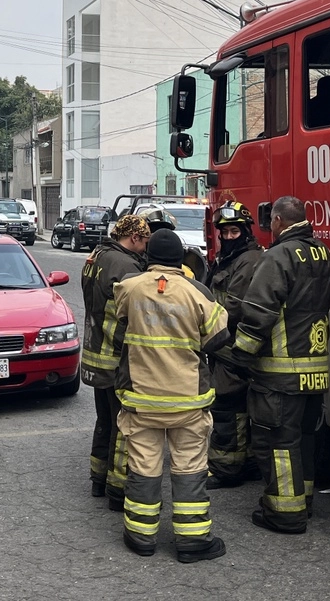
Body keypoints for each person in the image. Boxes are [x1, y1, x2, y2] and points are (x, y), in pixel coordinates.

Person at [113, 229, 230, 563]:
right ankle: (193, 542)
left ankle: (140, 537)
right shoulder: (196, 291)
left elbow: (119, 325)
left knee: (143, 466)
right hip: (187, 401)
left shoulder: (130, 287)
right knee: (189, 467)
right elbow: (219, 336)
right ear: (180, 259)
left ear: (148, 257)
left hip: (142, 399)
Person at [229, 196, 330, 535]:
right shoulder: (322, 252)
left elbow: (259, 312)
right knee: (304, 439)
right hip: (314, 369)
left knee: (278, 442)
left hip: (280, 373)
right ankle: (303, 501)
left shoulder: (278, 256)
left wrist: (240, 355)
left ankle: (285, 513)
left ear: (277, 221)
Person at [80, 213, 150, 510]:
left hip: (96, 355)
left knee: (104, 421)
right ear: (134, 237)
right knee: (123, 426)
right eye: (144, 241)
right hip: (116, 358)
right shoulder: (126, 266)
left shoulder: (96, 257)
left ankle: (98, 479)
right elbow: (134, 314)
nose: (146, 248)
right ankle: (117, 489)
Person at [203, 201, 263, 488]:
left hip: (233, 347)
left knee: (228, 407)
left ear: (246, 231)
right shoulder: (228, 258)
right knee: (238, 407)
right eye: (224, 232)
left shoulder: (248, 260)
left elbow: (235, 307)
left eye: (234, 232)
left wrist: (203, 317)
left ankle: (226, 469)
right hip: (223, 346)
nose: (228, 237)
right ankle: (247, 463)